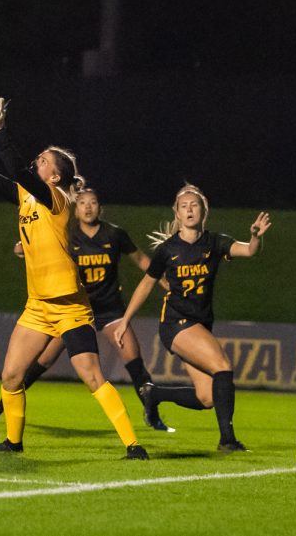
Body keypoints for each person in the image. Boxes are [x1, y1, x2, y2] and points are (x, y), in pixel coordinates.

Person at [0, 98, 147, 459]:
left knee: (90, 375)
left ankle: (133, 444)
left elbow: (17, 169)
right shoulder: (28, 197)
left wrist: (1, 132)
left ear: (55, 176)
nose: (39, 160)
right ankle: (13, 442)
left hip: (69, 305)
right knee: (11, 377)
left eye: (45, 160)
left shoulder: (59, 199)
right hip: (38, 306)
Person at [0, 188, 173, 432]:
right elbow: (36, 246)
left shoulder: (114, 234)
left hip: (109, 311)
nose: (88, 207)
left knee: (133, 359)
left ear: (100, 207)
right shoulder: (66, 234)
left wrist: (165, 283)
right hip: (73, 310)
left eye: (93, 202)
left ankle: (153, 417)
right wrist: (22, 247)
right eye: (82, 203)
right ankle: (0, 408)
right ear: (76, 208)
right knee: (43, 360)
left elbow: (143, 260)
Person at [115, 184, 271, 453]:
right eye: (184, 206)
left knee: (208, 397)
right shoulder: (167, 250)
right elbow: (146, 284)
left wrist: (255, 237)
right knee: (222, 366)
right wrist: (125, 320)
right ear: (177, 213)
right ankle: (227, 441)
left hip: (199, 324)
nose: (189, 209)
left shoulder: (214, 242)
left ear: (204, 211)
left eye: (194, 205)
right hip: (176, 323)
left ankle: (154, 393)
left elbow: (249, 251)